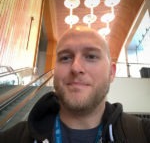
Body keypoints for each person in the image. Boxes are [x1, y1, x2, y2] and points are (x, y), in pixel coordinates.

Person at [0, 26, 150, 143]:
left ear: (112, 72)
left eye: (91, 56)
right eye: (65, 58)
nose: (76, 68)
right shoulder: (11, 138)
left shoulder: (142, 133)